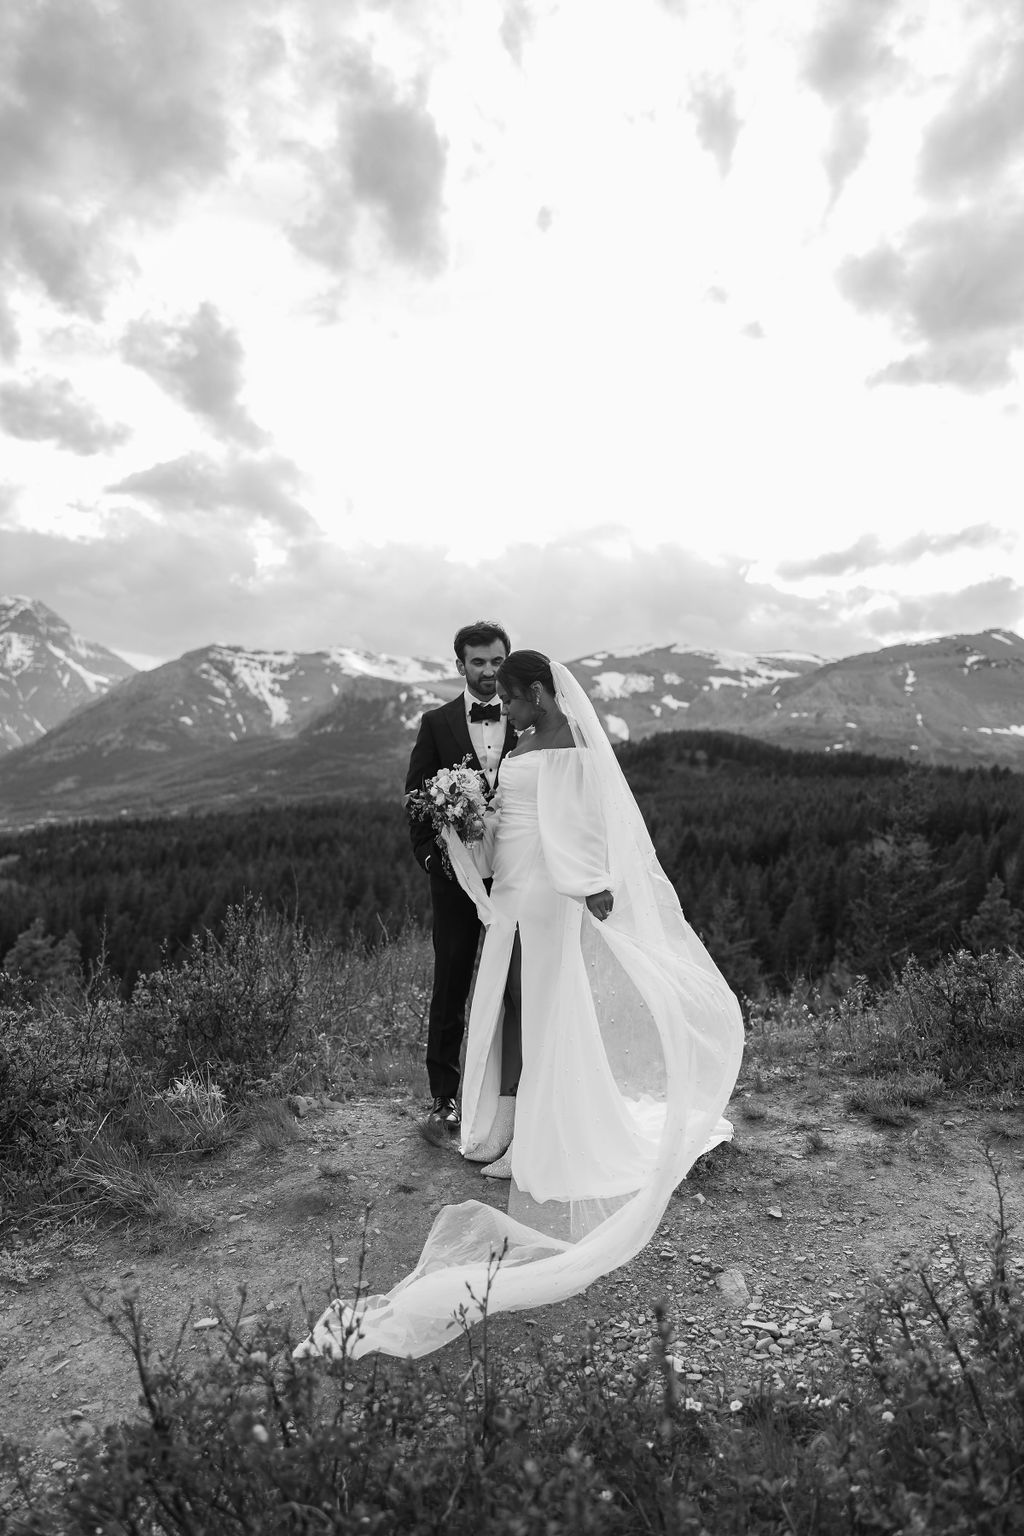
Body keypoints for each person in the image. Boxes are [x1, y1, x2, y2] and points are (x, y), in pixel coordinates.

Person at [297, 651, 743, 1361]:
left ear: (538, 691)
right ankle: (521, 1129)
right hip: (514, 889)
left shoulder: (564, 743)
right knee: (511, 1009)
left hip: (543, 893)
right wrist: (469, 825)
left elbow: (576, 830)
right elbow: (523, 816)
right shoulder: (532, 740)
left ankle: (544, 1141)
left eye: (512, 698)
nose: (506, 709)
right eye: (499, 699)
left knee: (539, 1011)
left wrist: (587, 885)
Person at [405, 620, 518, 1134]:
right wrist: (433, 859)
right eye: (479, 662)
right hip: (457, 881)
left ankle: (512, 1091)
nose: (489, 671)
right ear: (460, 665)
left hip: (518, 875)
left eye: (497, 661)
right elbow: (416, 799)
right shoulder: (436, 723)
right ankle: (444, 1097)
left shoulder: (531, 723)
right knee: (451, 983)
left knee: (518, 984)